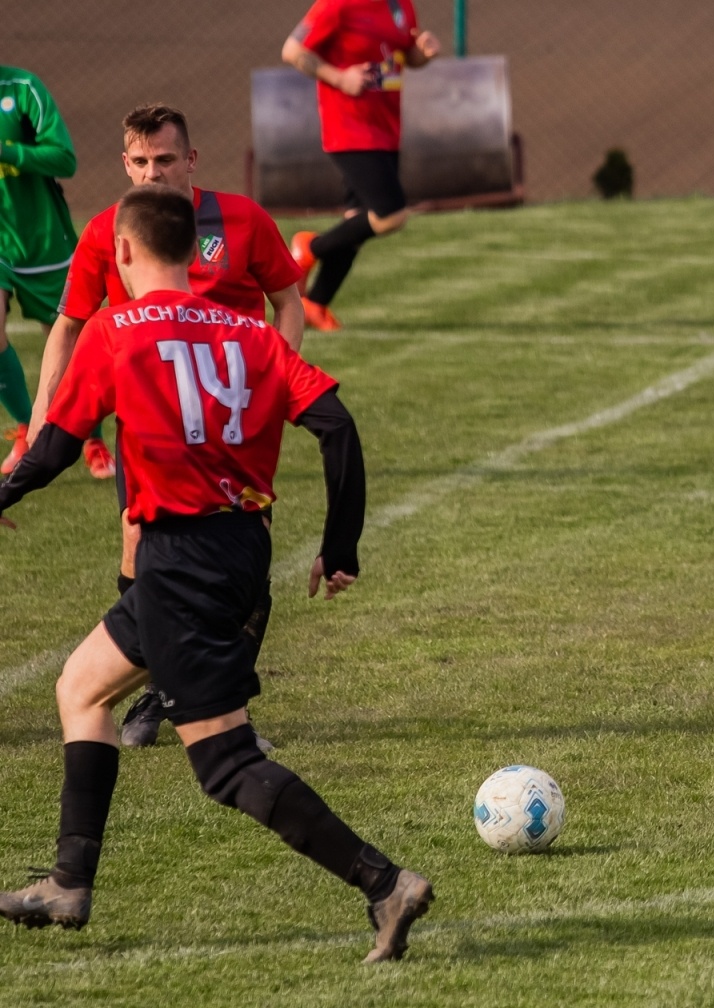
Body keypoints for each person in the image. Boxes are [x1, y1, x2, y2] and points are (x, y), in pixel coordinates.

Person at [0, 185, 432, 962]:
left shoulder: (113, 329)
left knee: (227, 764)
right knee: (82, 686)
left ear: (124, 252)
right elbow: (334, 424)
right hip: (237, 550)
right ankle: (69, 881)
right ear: (192, 252)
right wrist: (340, 547)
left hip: (178, 561)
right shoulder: (251, 332)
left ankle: (385, 883)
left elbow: (58, 449)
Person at [32, 104, 305, 748]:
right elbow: (69, 325)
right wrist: (43, 419)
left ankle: (224, 708)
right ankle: (163, 691)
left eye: (164, 159)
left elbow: (287, 301)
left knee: (245, 560)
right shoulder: (108, 231)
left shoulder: (242, 220)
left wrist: (278, 381)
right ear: (125, 163)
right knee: (138, 553)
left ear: (191, 160)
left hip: (232, 426)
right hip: (152, 430)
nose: (152, 173)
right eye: (140, 161)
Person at [281, 0, 442, 332]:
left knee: (357, 221)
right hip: (350, 128)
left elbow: (405, 55)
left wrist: (423, 54)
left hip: (385, 128)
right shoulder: (337, 5)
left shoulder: (401, 5)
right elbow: (293, 50)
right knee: (391, 214)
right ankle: (309, 248)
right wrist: (338, 78)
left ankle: (315, 304)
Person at [0, 65, 77, 476]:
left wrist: (8, 151)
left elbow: (64, 158)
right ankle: (27, 433)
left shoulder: (23, 87)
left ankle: (93, 439)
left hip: (41, 236)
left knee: (66, 337)